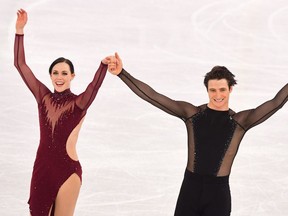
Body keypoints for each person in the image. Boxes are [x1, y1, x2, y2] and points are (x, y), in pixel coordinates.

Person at [107, 53, 288, 216]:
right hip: (189, 191)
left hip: (218, 195)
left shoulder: (239, 122)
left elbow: (276, 103)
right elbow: (153, 96)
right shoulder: (192, 114)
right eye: (213, 90)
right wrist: (122, 73)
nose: (218, 95)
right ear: (207, 90)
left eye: (222, 90)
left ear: (230, 89)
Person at [14, 9, 113, 216]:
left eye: (64, 73)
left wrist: (102, 66)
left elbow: (93, 88)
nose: (59, 77)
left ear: (72, 76)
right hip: (42, 168)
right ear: (50, 76)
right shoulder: (43, 97)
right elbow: (20, 65)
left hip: (68, 171)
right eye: (55, 73)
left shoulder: (78, 103)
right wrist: (19, 31)